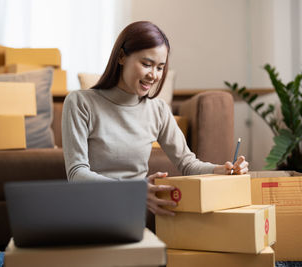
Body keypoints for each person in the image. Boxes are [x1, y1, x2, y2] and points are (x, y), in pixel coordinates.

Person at [62, 20, 249, 220]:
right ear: (122, 56)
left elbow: (187, 164)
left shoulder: (158, 110)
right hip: (92, 210)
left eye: (160, 67)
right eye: (146, 64)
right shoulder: (80, 102)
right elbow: (77, 173)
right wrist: (135, 189)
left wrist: (221, 169)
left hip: (131, 213)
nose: (154, 75)